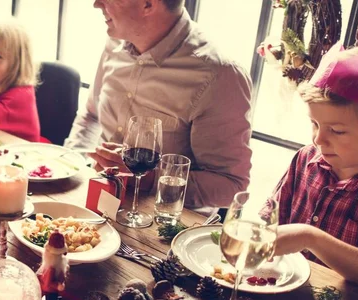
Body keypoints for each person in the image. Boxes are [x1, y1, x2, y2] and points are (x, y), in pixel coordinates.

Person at [64, 0, 253, 209]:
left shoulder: (219, 74)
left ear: (147, 4)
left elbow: (232, 186)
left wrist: (151, 180)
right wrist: (72, 169)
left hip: (161, 225)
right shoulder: (115, 42)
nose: (96, 4)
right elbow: (91, 117)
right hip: (93, 204)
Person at [271, 44, 358, 288]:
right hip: (285, 296)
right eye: (315, 124)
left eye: (337, 131)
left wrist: (310, 237)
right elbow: (270, 220)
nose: (318, 140)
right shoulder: (305, 160)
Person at [36, 230, 69, 300]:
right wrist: (57, 285)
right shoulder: (51, 269)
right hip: (49, 290)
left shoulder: (59, 263)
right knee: (51, 299)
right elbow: (47, 283)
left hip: (55, 289)